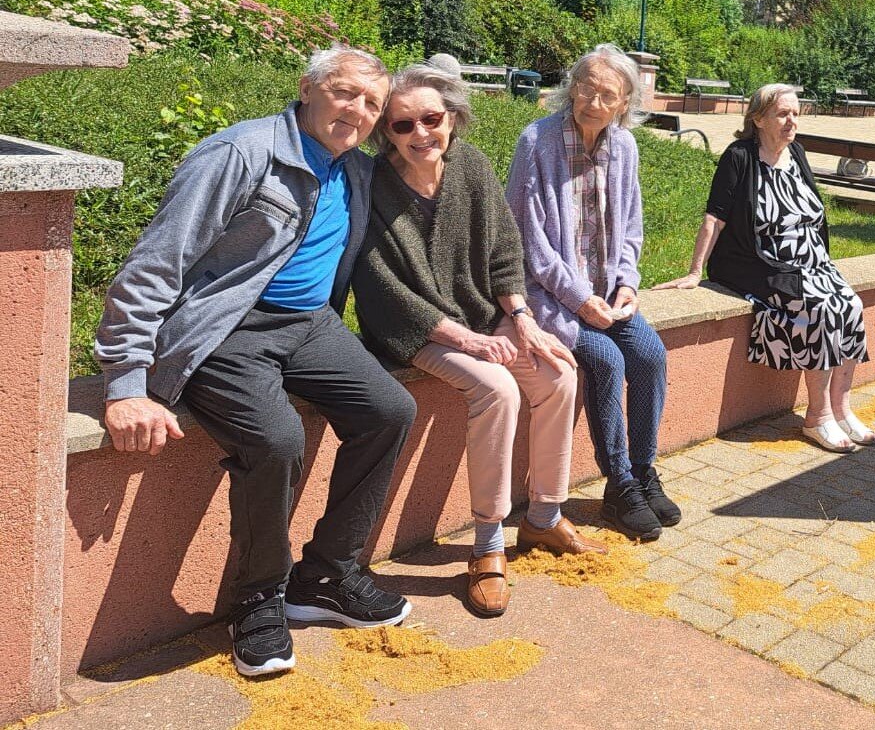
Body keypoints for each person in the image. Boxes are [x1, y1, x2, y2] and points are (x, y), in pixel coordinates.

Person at [94, 47, 416, 678]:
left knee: (389, 410)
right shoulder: (241, 154)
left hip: (310, 325)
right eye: (345, 92)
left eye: (372, 103)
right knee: (277, 440)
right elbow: (156, 262)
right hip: (227, 327)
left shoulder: (352, 167)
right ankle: (258, 600)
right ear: (308, 87)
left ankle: (326, 576)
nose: (358, 111)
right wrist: (125, 384)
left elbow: (434, 176)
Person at [353, 61, 605, 619]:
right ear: (385, 132)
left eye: (431, 119)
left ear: (452, 117)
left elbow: (504, 250)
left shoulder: (470, 164)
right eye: (403, 124)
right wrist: (466, 339)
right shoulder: (372, 184)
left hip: (483, 319)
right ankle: (488, 544)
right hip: (414, 330)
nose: (421, 133)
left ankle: (543, 517)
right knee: (498, 389)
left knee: (559, 374)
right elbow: (381, 288)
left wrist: (522, 318)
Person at [506, 44, 679, 542]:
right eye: (586, 87)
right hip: (551, 296)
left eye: (608, 95)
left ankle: (643, 470)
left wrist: (627, 283)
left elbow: (631, 226)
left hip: (608, 297)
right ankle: (618, 483)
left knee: (650, 355)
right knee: (606, 360)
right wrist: (580, 300)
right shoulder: (537, 141)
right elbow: (527, 239)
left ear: (625, 103)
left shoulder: (624, 146)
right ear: (572, 86)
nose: (593, 102)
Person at [656, 84, 874, 453]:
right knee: (819, 309)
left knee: (851, 305)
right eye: (782, 114)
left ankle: (841, 409)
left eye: (795, 114)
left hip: (811, 261)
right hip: (762, 262)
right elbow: (714, 218)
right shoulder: (740, 156)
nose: (792, 121)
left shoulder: (796, 153)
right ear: (758, 119)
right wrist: (695, 272)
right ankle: (817, 417)